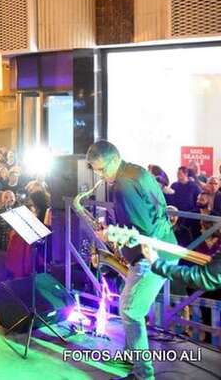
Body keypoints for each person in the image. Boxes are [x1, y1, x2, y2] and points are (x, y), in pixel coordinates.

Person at [87, 140, 178, 380]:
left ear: (114, 159)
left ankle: (143, 374)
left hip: (151, 256)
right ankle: (131, 358)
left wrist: (111, 235)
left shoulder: (123, 186)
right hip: (166, 247)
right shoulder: (137, 171)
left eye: (102, 169)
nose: (100, 175)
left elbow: (140, 233)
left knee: (129, 310)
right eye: (96, 170)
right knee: (132, 305)